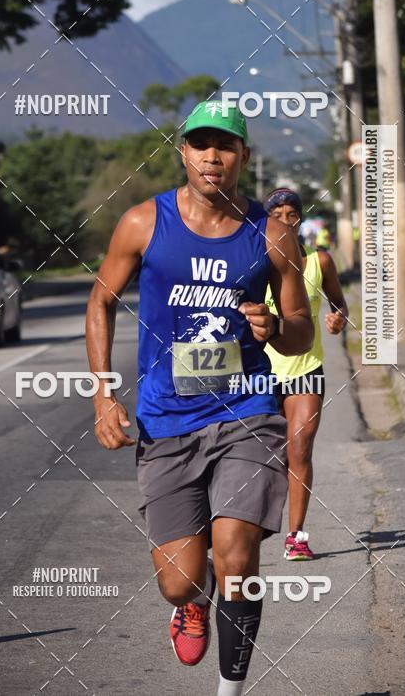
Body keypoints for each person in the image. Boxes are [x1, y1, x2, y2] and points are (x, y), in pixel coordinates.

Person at [86, 102, 313, 696]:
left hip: (248, 411)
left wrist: (273, 329)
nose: (213, 156)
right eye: (200, 144)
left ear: (244, 156)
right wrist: (104, 394)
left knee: (237, 557)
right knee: (179, 581)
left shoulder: (274, 232)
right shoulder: (143, 223)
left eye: (226, 146)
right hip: (167, 420)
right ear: (182, 152)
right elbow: (100, 301)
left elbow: (300, 329)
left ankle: (230, 691)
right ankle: (190, 600)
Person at [263, 188, 348, 561]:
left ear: (300, 219)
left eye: (291, 214)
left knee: (300, 447)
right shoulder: (256, 263)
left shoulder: (320, 261)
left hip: (306, 368)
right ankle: (249, 528)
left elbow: (338, 301)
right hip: (261, 374)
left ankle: (296, 536)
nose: (285, 220)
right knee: (267, 457)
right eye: (277, 214)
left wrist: (337, 318)